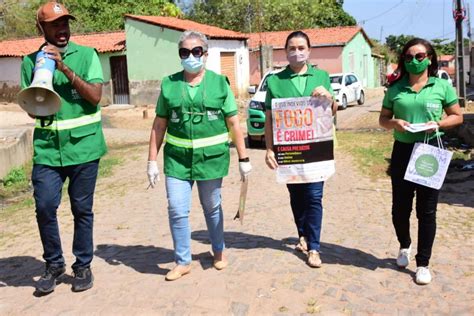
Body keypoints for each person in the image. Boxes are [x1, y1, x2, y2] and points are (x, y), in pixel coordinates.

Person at [147, 30, 252, 281]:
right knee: (176, 209)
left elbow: (234, 124)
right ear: (180, 55)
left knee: (212, 207)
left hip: (211, 159)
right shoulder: (169, 84)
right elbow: (159, 124)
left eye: (196, 51)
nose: (190, 56)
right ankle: (183, 261)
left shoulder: (219, 83)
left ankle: (218, 250)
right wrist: (152, 160)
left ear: (205, 54)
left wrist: (243, 159)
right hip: (177, 160)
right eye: (185, 52)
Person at [20, 2, 106, 293]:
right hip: (47, 150)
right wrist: (41, 83)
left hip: (84, 148)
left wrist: (63, 67)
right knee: (44, 207)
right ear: (41, 29)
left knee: (82, 209)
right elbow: (32, 110)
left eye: (65, 23)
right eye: (55, 24)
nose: (63, 29)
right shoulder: (29, 61)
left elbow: (95, 96)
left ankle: (82, 266)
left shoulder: (87, 55)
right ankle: (54, 264)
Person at [379, 38, 463, 285]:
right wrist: (393, 123)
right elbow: (383, 119)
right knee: (400, 209)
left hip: (429, 151)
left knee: (427, 211)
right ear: (403, 60)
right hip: (403, 151)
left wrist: (438, 123)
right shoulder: (395, 89)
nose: (414, 61)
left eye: (419, 56)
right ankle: (404, 245)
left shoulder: (441, 86)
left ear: (429, 58)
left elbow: (456, 116)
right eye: (408, 57)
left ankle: (423, 263)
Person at [264, 31, 338, 268]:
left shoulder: (322, 76)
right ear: (285, 52)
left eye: (301, 47)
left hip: (317, 148)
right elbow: (269, 119)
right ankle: (303, 235)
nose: (297, 52)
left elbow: (332, 110)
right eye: (292, 48)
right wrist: (269, 149)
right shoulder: (275, 81)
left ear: (309, 50)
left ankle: (314, 248)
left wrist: (329, 97)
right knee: (297, 196)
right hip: (290, 149)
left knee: (314, 196)